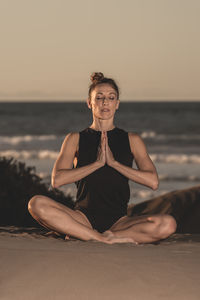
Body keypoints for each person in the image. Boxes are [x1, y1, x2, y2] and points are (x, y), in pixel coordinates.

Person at [28, 72, 177, 244]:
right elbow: (57, 180)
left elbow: (153, 182)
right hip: (82, 218)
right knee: (36, 204)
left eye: (111, 97)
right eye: (99, 97)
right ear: (89, 103)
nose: (105, 102)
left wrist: (114, 163)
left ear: (117, 104)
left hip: (119, 222)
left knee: (168, 224)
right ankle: (100, 238)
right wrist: (97, 163)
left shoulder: (132, 140)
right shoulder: (74, 139)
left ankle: (93, 236)